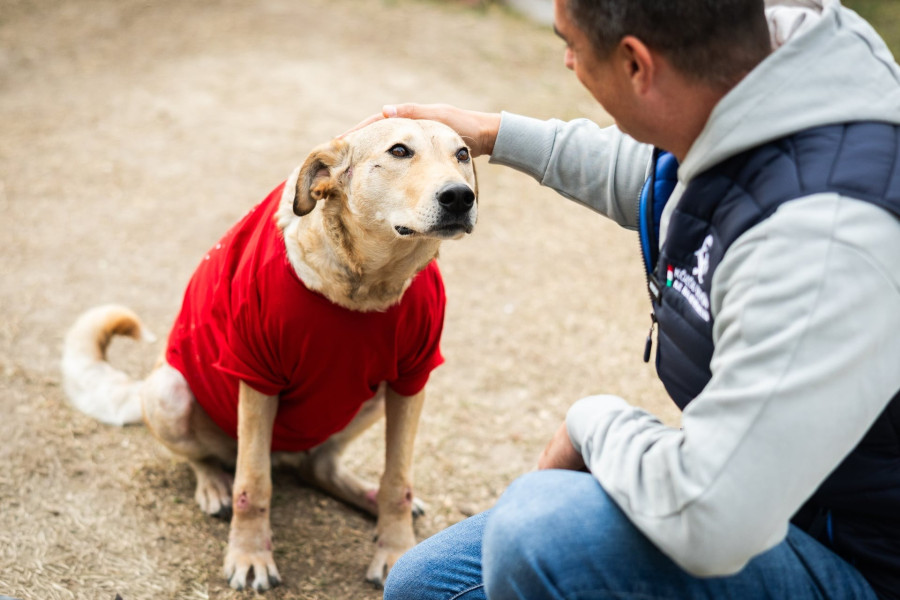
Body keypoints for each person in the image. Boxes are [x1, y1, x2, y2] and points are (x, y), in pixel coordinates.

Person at [357, 0, 900, 598]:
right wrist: (493, 134)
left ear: (638, 65)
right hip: (778, 495)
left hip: (855, 556)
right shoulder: (757, 79)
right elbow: (654, 175)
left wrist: (591, 424)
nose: (566, 60)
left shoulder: (822, 242)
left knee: (542, 530)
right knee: (425, 588)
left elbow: (711, 520)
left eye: (572, 44)